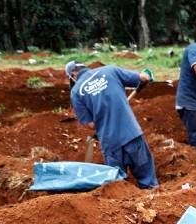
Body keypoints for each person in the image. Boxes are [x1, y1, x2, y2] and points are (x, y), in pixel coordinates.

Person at [65, 61, 157, 189]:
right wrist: (147, 74)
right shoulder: (110, 70)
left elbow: (90, 124)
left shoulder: (76, 92)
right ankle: (153, 198)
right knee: (148, 179)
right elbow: (143, 78)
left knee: (117, 186)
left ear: (73, 74)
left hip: (110, 143)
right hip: (132, 134)